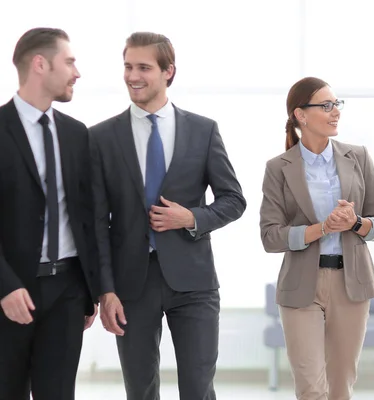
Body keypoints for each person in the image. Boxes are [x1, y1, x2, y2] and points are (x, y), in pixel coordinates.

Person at [89, 32, 246, 400]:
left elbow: (233, 200)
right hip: (131, 286)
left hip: (194, 282)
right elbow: (96, 222)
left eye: (143, 67)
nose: (133, 76)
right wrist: (105, 290)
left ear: (168, 71)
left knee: (198, 388)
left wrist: (189, 218)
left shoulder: (203, 130)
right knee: (140, 390)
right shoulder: (101, 138)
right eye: (128, 67)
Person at [259, 76, 374, 400]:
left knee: (341, 387)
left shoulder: (357, 156)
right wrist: (322, 228)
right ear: (301, 115)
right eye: (326, 105)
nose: (335, 112)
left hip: (352, 283)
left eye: (337, 104)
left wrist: (356, 222)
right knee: (311, 389)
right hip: (301, 286)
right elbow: (270, 236)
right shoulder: (279, 168)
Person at [0, 27, 99, 400]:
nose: (77, 72)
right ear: (40, 64)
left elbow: (87, 218)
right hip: (11, 292)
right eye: (69, 61)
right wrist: (5, 286)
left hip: (68, 293)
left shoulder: (77, 134)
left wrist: (90, 291)